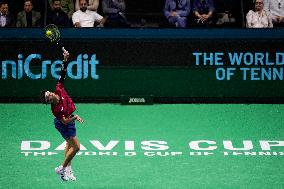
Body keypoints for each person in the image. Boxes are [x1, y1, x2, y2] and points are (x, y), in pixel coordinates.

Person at [40, 50, 84, 181]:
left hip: (68, 119)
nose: (50, 93)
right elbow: (64, 122)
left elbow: (63, 73)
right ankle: (61, 168)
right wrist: (75, 117)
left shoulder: (58, 88)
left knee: (69, 145)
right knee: (76, 147)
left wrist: (65, 59)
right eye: (48, 96)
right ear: (49, 100)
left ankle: (68, 171)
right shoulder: (56, 109)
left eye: (48, 92)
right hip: (63, 123)